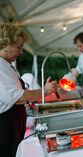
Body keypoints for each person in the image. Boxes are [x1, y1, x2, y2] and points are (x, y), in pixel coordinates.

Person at [0, 23, 58, 157]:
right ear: (5, 44)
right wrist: (44, 91)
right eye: (19, 47)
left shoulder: (7, 65)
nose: (21, 52)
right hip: (4, 128)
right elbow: (17, 97)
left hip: (13, 125)